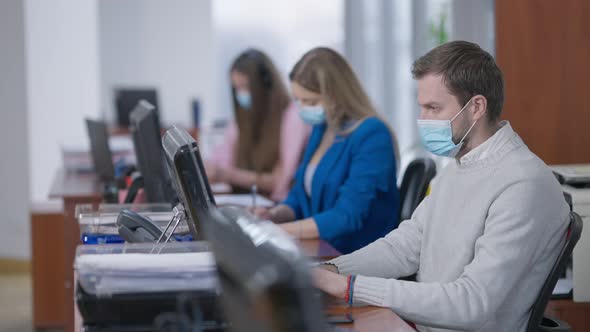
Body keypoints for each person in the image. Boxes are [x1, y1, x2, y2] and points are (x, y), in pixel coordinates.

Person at [312, 41, 570, 332]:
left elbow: (471, 304)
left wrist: (349, 288)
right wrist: (332, 270)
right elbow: (404, 248)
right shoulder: (460, 166)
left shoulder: (523, 184)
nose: (423, 120)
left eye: (433, 108)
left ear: (476, 107)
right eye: (421, 108)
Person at [253, 47, 401, 255]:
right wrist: (275, 215)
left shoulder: (372, 135)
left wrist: (277, 231)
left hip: (355, 256)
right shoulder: (322, 129)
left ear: (338, 95)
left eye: (311, 102)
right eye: (298, 100)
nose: (302, 108)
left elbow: (346, 217)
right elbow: (299, 196)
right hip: (323, 248)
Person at [207, 49, 310, 201]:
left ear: (266, 86)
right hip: (246, 204)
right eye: (236, 89)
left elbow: (281, 181)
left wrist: (228, 174)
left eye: (245, 87)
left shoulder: (293, 117)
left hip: (275, 207)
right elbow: (221, 159)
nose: (240, 94)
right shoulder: (241, 120)